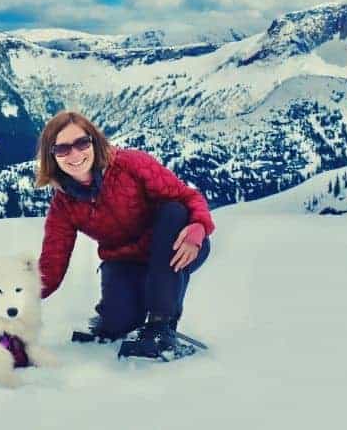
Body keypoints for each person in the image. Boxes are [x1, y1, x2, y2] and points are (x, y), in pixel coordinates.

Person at [35, 110, 215, 358]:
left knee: (173, 211)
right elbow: (52, 264)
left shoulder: (130, 164)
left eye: (81, 143)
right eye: (62, 149)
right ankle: (132, 312)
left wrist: (199, 227)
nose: (75, 154)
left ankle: (161, 326)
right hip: (126, 262)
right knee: (117, 323)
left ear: (94, 142)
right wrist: (12, 301)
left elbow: (187, 196)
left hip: (177, 245)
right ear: (51, 156)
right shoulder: (63, 205)